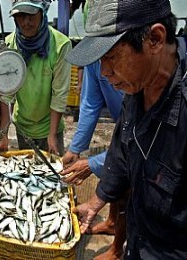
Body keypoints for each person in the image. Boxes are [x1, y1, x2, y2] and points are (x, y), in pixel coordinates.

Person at [66, 0, 187, 259]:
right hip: (137, 240)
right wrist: (98, 199)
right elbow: (122, 150)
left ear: (154, 39)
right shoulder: (137, 85)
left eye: (111, 56)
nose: (104, 72)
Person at [61, 60, 126, 260]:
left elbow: (140, 144)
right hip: (122, 125)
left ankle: (117, 249)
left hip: (145, 134)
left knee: (128, 183)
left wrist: (92, 164)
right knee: (115, 177)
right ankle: (112, 222)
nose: (105, 71)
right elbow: (90, 102)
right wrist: (76, 147)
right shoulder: (92, 58)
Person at [0, 0, 72, 156]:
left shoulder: (60, 45)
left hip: (50, 127)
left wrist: (51, 135)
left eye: (31, 15)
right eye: (20, 16)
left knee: (53, 175)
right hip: (23, 127)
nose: (26, 22)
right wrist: (3, 134)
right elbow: (6, 94)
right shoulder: (9, 45)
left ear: (42, 13)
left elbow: (59, 94)